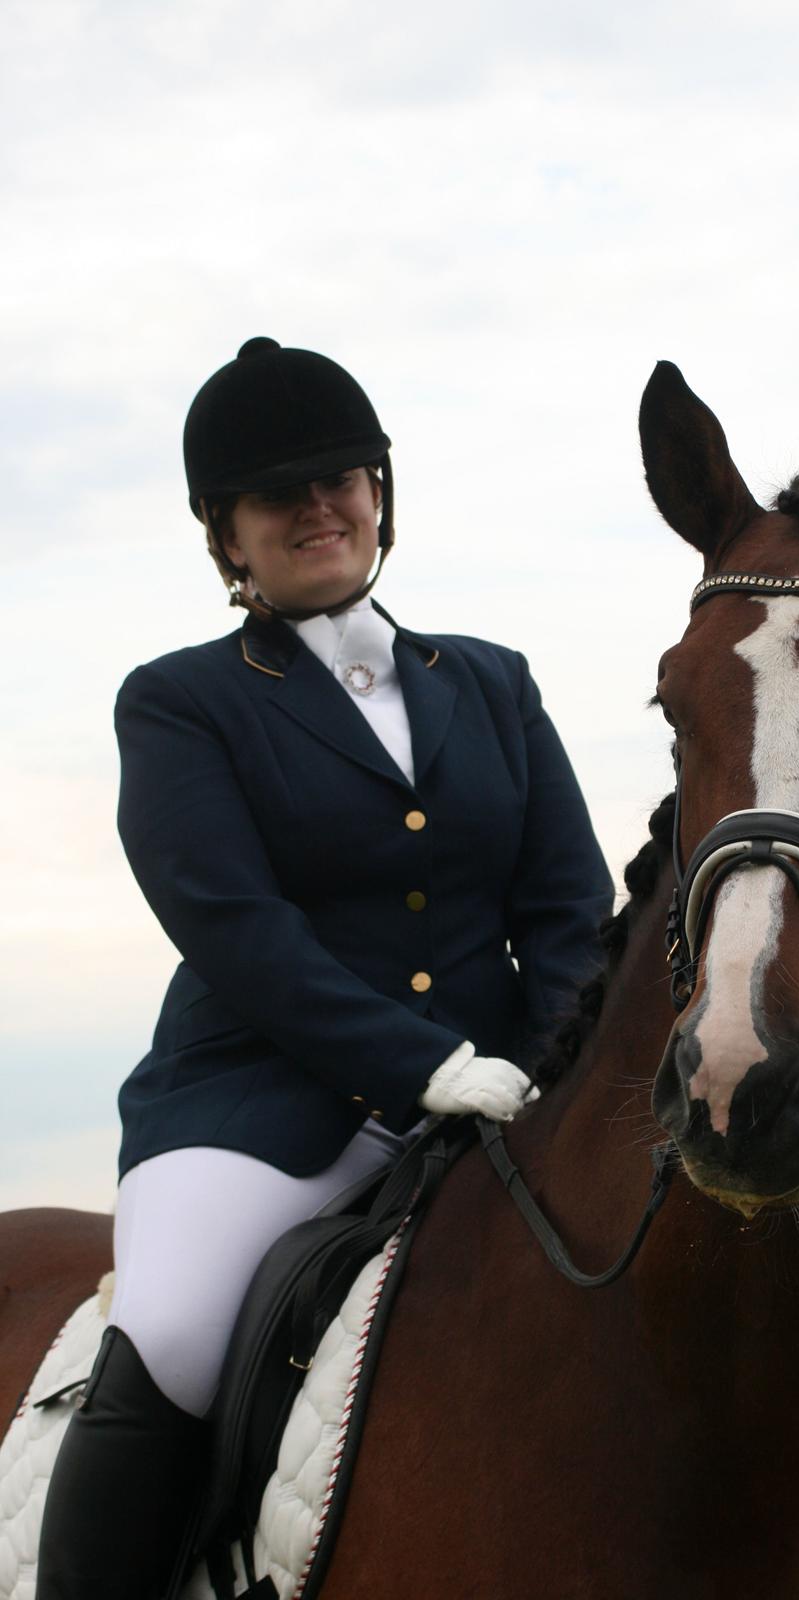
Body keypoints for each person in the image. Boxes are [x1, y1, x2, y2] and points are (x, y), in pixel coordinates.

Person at [36, 337, 614, 1599]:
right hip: (259, 1109)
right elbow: (235, 929)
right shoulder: (181, 701)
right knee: (173, 1335)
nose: (317, 508)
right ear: (225, 535)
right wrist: (424, 1064)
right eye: (275, 494)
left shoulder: (494, 684)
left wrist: (547, 1068)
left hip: (503, 1103)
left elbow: (569, 908)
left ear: (378, 494)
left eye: (339, 479)